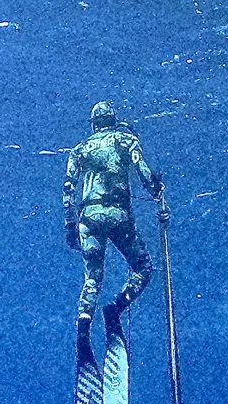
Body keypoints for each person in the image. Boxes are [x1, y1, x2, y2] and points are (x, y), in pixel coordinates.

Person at [63, 102, 167, 357]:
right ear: (113, 120)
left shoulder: (80, 150)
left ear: (93, 124)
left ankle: (84, 325)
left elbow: (68, 189)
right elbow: (142, 171)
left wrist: (69, 224)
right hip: (119, 215)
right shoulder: (125, 140)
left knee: (92, 276)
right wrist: (156, 191)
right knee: (143, 267)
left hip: (89, 216)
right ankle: (116, 308)